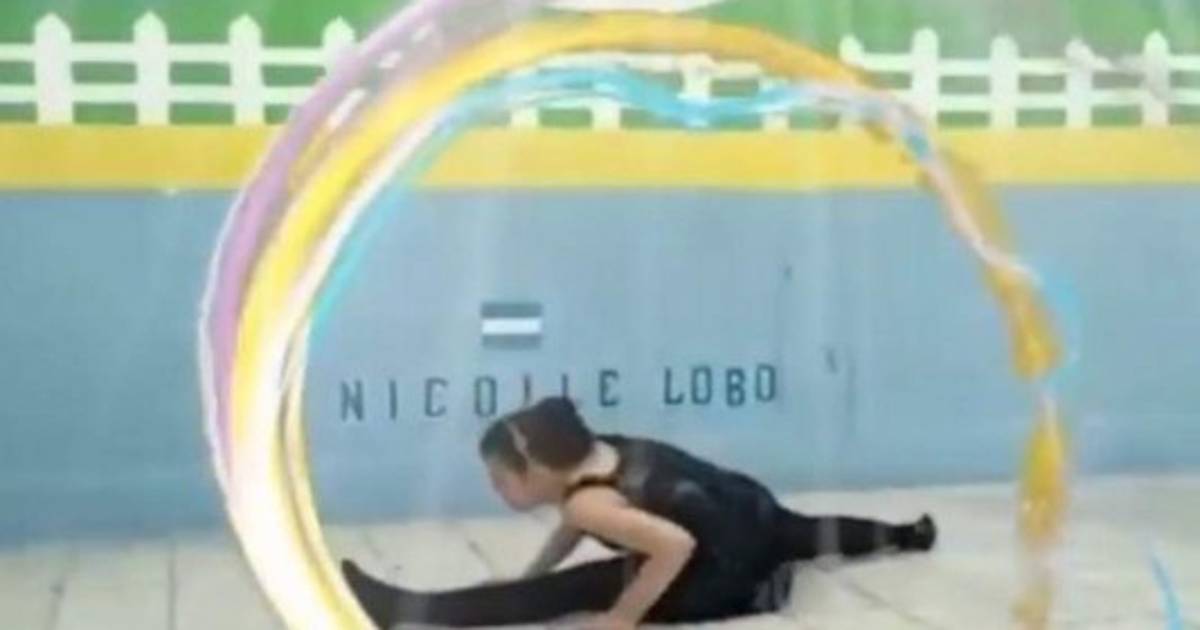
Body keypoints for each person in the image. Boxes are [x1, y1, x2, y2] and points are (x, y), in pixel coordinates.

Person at [342, 396, 937, 629]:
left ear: (539, 469)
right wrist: (531, 569)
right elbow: (573, 526)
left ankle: (404, 611)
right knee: (810, 533)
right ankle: (906, 535)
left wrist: (623, 617)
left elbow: (673, 547)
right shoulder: (605, 451)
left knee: (572, 590)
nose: (494, 490)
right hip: (751, 516)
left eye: (500, 479)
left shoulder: (591, 500)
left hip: (719, 573)